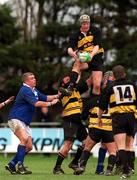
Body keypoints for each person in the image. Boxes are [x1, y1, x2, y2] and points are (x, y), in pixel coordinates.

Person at [5, 72, 59, 175]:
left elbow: (45, 97)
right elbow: (37, 103)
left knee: (29, 147)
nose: (34, 79)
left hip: (24, 122)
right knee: (24, 139)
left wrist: (58, 95)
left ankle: (12, 164)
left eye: (34, 77)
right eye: (32, 78)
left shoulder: (33, 90)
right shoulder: (25, 90)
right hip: (16, 118)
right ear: (26, 81)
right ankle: (20, 166)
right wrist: (51, 104)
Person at [97, 65, 137, 179]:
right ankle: (129, 168)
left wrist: (99, 119)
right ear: (124, 74)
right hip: (131, 117)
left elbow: (102, 105)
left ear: (113, 76)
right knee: (129, 145)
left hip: (118, 118)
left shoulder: (110, 87)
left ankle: (125, 171)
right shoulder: (132, 85)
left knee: (120, 146)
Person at [74, 71, 117, 176]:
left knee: (87, 148)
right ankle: (109, 170)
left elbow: (83, 116)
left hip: (95, 128)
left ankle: (82, 166)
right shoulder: (114, 101)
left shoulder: (93, 101)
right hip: (108, 129)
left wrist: (87, 119)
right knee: (112, 151)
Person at [60, 14, 104, 97]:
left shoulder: (95, 30)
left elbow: (97, 46)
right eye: (84, 24)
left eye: (87, 23)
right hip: (85, 58)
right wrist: (73, 54)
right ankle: (70, 87)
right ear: (81, 24)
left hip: (96, 57)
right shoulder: (75, 35)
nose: (86, 25)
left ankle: (95, 104)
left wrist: (91, 55)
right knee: (77, 63)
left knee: (97, 85)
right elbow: (69, 48)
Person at [53, 75, 89, 174]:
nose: (70, 81)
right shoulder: (62, 90)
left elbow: (88, 81)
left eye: (70, 79)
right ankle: (57, 168)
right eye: (67, 80)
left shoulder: (76, 91)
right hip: (69, 119)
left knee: (87, 142)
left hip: (78, 120)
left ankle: (74, 162)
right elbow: (62, 91)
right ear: (63, 83)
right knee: (68, 144)